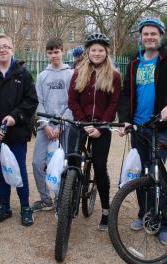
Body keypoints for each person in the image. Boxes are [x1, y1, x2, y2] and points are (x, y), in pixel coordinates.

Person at [117, 17, 167, 245]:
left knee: (157, 177)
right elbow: (126, 93)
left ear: (161, 35)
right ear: (141, 37)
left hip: (159, 127)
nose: (150, 37)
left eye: (154, 33)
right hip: (138, 127)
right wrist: (125, 120)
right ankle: (143, 213)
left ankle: (162, 223)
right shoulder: (135, 61)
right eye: (146, 34)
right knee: (140, 173)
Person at [0, 33, 38, 226]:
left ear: (12, 49)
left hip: (17, 133)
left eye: (6, 46)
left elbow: (31, 101)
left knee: (19, 169)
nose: (2, 50)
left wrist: (15, 116)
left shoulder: (23, 74)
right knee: (1, 171)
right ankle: (4, 206)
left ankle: (25, 207)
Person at [68, 33, 121, 231]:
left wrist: (100, 126)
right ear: (88, 52)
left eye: (100, 50)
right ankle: (67, 199)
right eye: (93, 50)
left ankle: (106, 210)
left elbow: (114, 104)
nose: (97, 53)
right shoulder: (78, 72)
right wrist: (83, 122)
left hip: (102, 128)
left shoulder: (114, 75)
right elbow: (72, 101)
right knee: (72, 161)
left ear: (106, 52)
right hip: (81, 125)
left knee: (99, 167)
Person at [32, 38, 73, 212]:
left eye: (57, 51)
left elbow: (73, 103)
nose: (54, 55)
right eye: (50, 52)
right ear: (47, 53)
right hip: (45, 126)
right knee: (37, 162)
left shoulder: (71, 74)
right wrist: (46, 125)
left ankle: (60, 199)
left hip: (64, 125)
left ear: (63, 51)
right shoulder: (42, 76)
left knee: (63, 164)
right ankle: (45, 198)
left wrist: (61, 126)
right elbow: (38, 102)